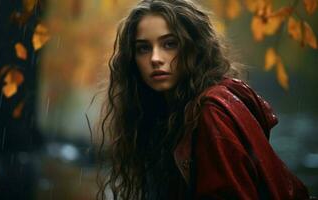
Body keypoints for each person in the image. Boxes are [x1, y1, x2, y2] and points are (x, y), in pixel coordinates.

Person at [97, 0, 311, 199]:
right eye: (143, 48)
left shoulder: (211, 112)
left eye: (169, 44)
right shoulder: (161, 115)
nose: (155, 58)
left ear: (193, 47)